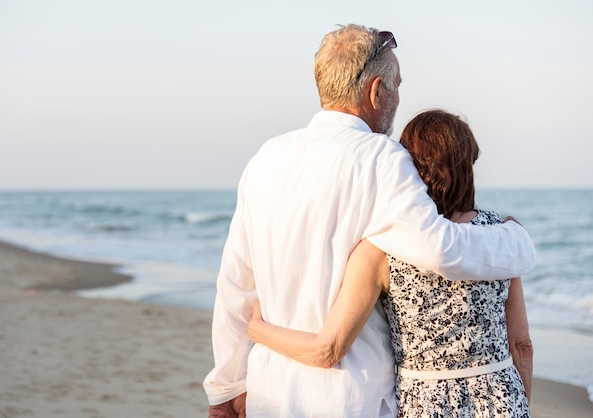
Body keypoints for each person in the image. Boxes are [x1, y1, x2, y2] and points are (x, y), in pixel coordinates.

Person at [203, 24, 536, 418]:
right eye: (397, 85)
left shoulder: (265, 159)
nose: (398, 97)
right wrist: (517, 242)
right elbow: (439, 248)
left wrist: (226, 386)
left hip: (270, 391)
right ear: (377, 91)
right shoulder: (382, 159)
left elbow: (236, 282)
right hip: (351, 396)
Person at [248, 109, 533, 417]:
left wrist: (258, 329)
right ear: (468, 167)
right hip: (503, 399)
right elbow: (521, 345)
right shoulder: (502, 239)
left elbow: (327, 350)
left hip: (425, 405)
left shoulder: (381, 249)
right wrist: (518, 404)